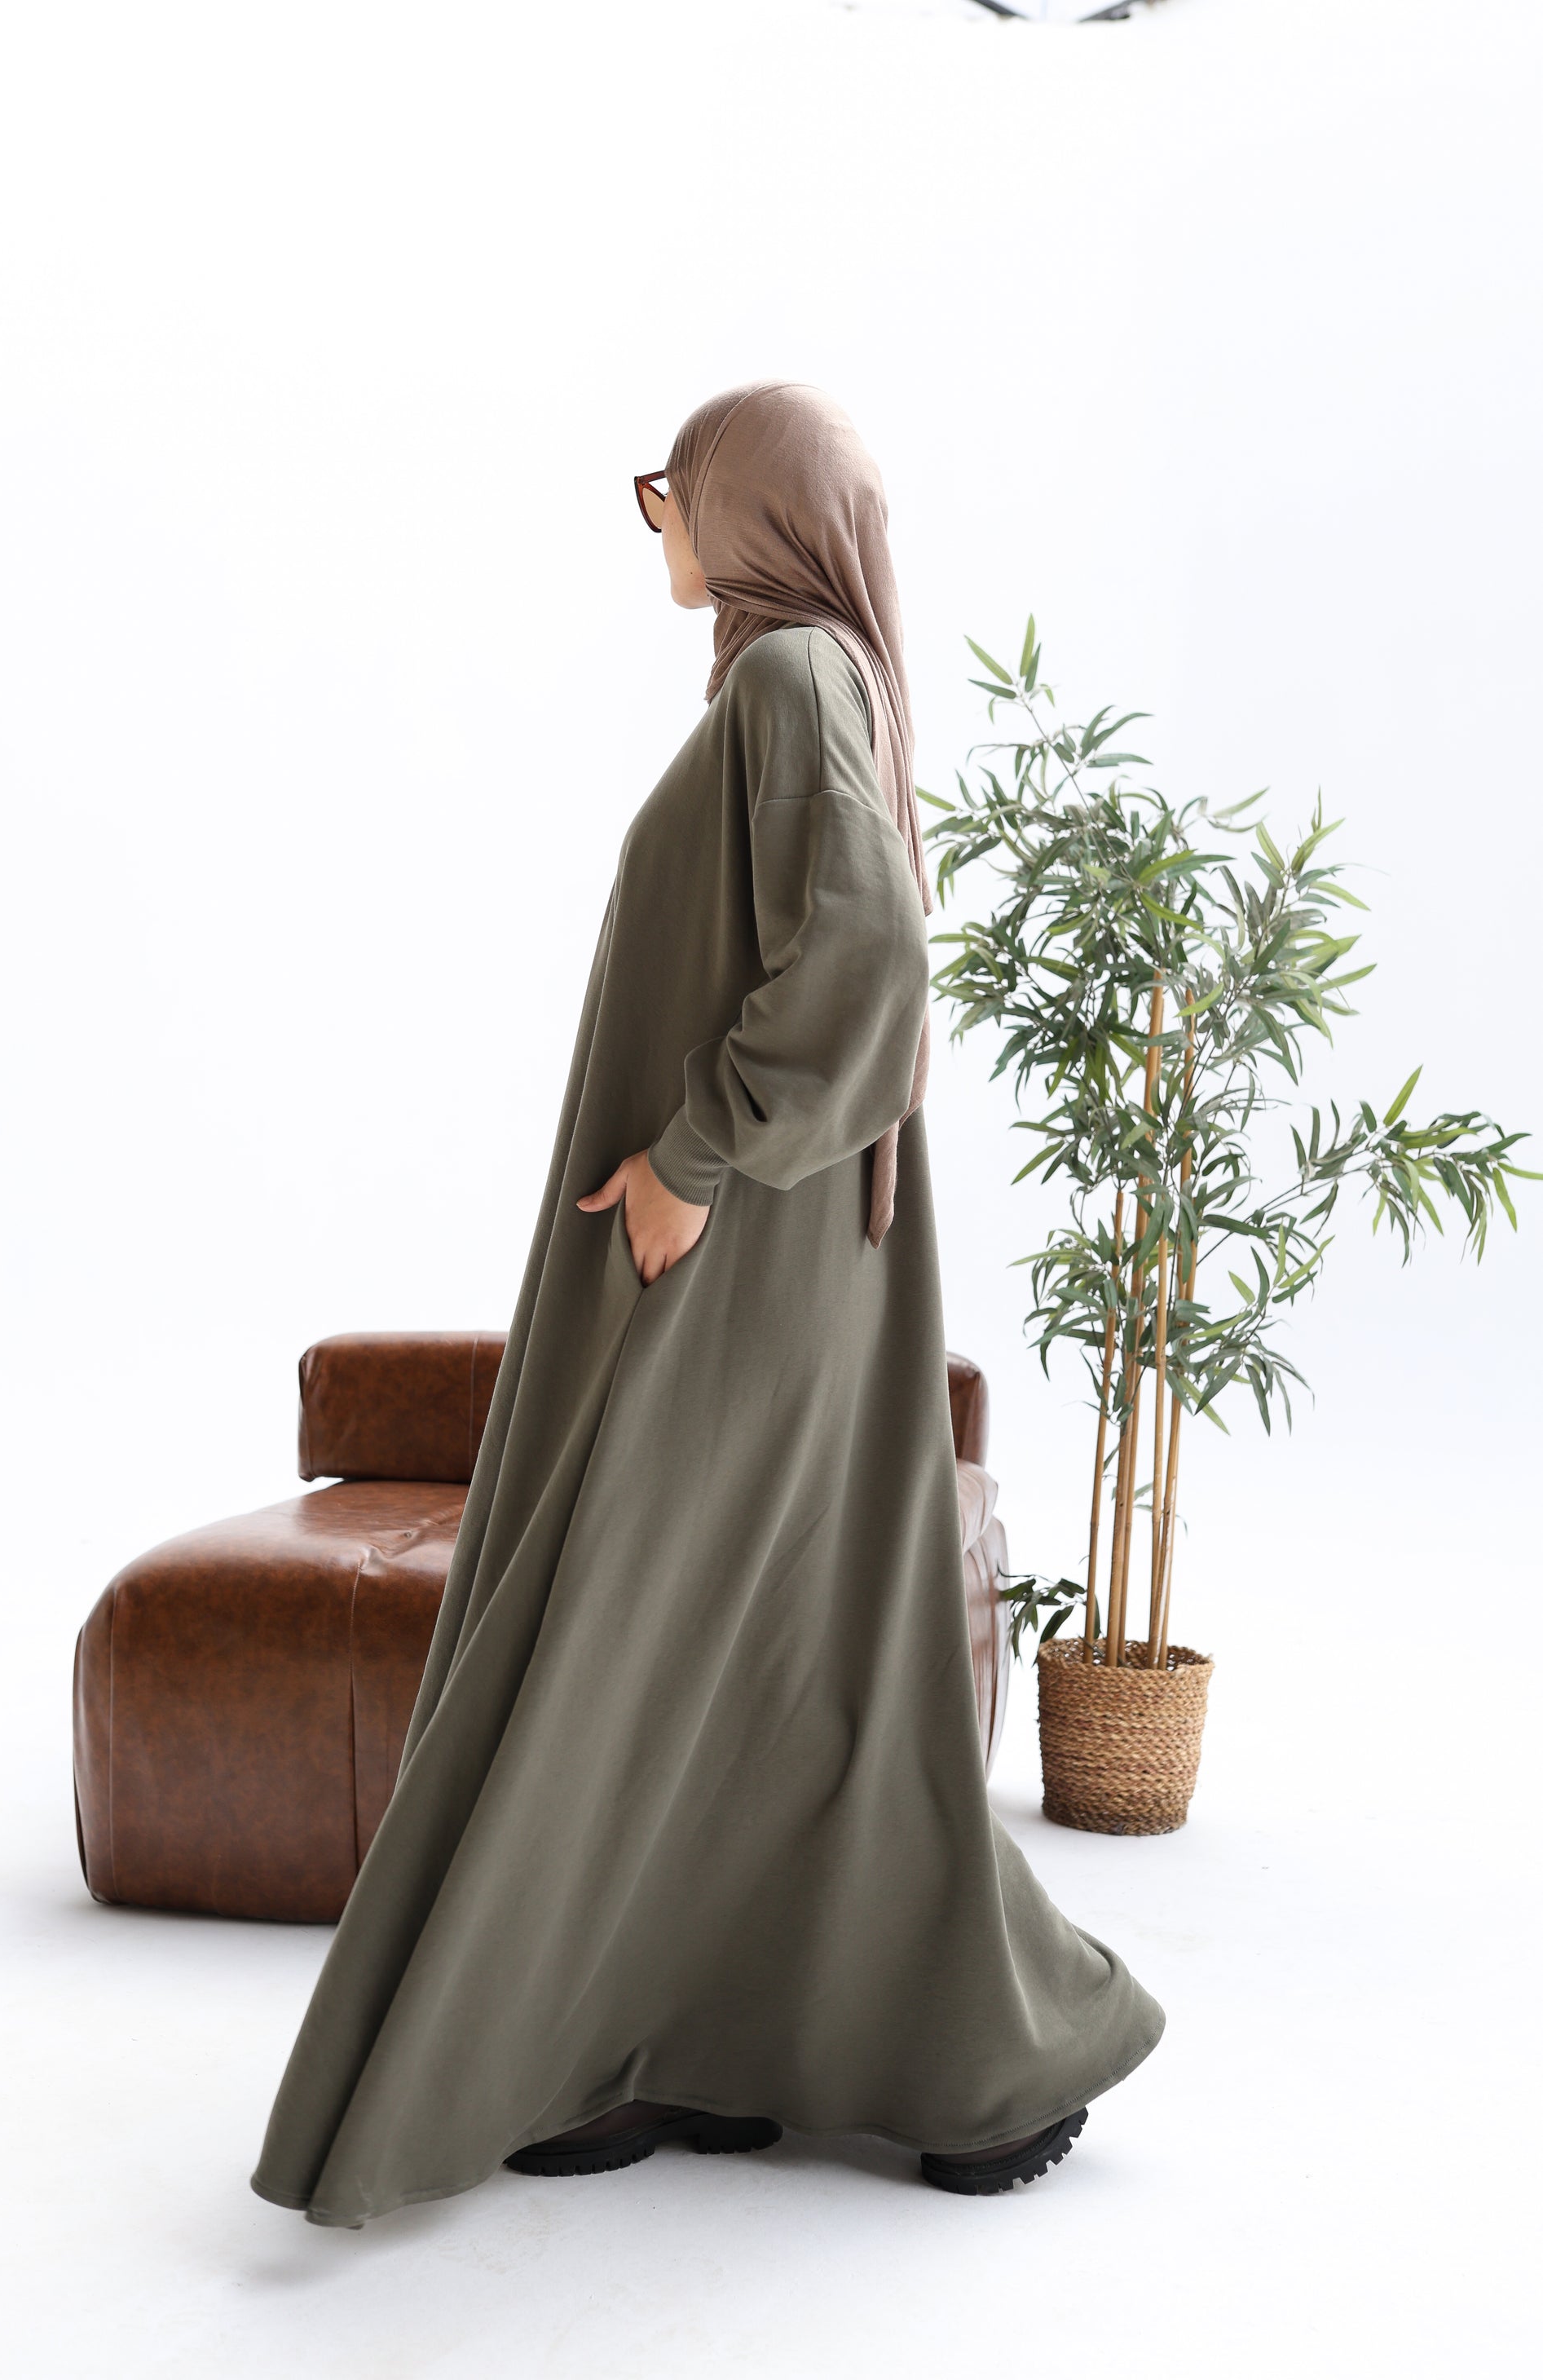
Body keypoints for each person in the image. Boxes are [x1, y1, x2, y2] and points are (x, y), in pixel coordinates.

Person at [250, 382, 1163, 2228]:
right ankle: (668, 2033)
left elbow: (866, 962)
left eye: (672, 490)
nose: (656, 521)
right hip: (760, 1253)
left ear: (752, 512)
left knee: (655, 1614)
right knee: (742, 1638)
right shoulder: (802, 679)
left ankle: (988, 2049)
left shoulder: (790, 678)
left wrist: (691, 1156)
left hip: (740, 1253)